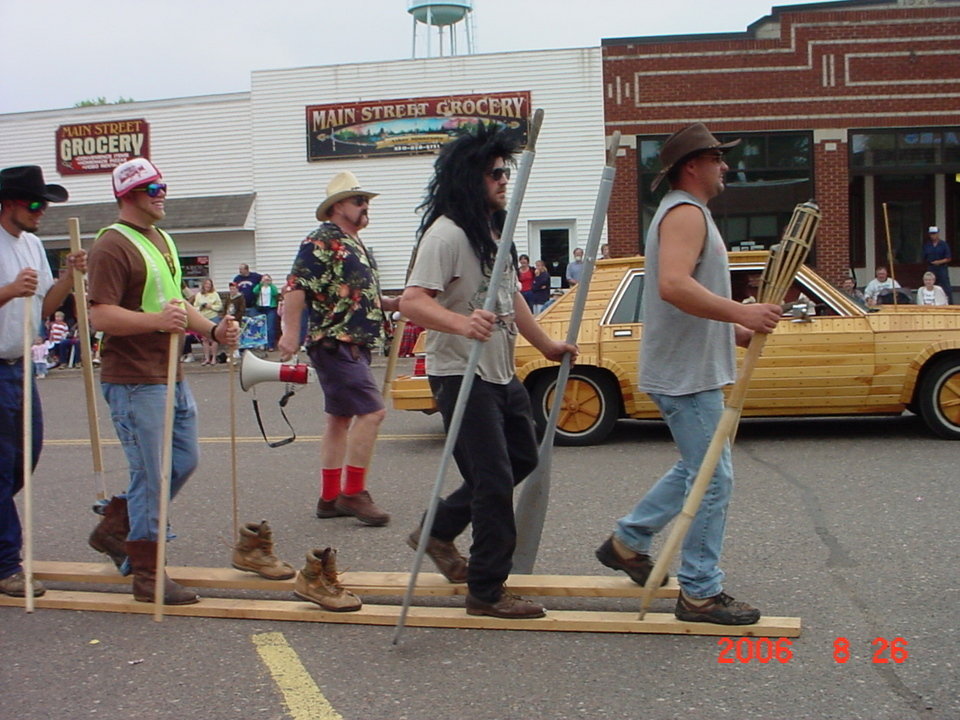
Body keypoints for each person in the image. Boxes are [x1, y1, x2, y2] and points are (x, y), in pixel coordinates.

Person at [594, 123, 781, 625]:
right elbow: (673, 286)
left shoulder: (692, 213)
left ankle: (628, 541)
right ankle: (699, 592)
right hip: (685, 375)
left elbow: (690, 295)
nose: (725, 166)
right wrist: (743, 312)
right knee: (713, 479)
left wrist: (733, 330)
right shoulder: (684, 214)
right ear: (692, 165)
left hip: (691, 367)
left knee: (697, 470)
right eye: (717, 158)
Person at [400, 125, 578, 620]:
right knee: (493, 482)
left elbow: (508, 295)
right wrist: (461, 322)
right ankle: (486, 589)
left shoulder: (496, 231)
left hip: (499, 372)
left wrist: (546, 345)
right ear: (468, 177)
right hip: (460, 373)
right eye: (494, 173)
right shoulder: (446, 235)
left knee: (523, 457)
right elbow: (413, 302)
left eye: (506, 171)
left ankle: (437, 530)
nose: (503, 180)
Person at [85, 158, 239, 605]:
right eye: (153, 188)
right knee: (152, 475)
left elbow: (175, 303)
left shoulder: (161, 238)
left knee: (184, 461)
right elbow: (100, 315)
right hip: (134, 378)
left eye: (163, 185)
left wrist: (212, 330)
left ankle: (116, 527)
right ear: (129, 195)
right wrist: (156, 321)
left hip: (169, 371)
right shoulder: (111, 246)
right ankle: (148, 575)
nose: (162, 194)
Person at [278, 171, 399, 528]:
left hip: (354, 342)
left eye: (366, 201)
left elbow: (355, 293)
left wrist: (391, 303)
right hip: (336, 342)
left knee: (339, 419)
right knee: (373, 413)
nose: (365, 207)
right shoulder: (322, 240)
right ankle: (353, 492)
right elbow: (296, 287)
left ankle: (330, 498)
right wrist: (290, 334)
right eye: (359, 201)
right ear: (337, 206)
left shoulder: (354, 243)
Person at [0, 164, 83, 598]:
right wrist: (8, 291)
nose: (41, 211)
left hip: (21, 365)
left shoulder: (32, 244)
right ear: (8, 203)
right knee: (0, 466)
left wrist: (68, 277)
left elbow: (45, 307)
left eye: (44, 204)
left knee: (23, 459)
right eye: (34, 203)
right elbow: (17, 295)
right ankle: (5, 564)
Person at [192, 278, 223, 365]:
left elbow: (220, 306)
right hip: (203, 318)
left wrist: (211, 307)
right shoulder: (198, 295)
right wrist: (200, 307)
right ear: (203, 285)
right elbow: (195, 307)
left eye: (209, 284)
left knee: (213, 338)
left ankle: (214, 358)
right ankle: (207, 358)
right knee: (204, 339)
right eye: (206, 284)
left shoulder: (215, 294)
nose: (207, 286)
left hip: (213, 317)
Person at [922, 226, 952, 304]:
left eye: (934, 234)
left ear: (938, 234)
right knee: (930, 284)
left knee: (945, 286)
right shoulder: (927, 245)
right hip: (931, 267)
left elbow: (948, 258)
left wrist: (939, 262)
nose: (933, 236)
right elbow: (924, 256)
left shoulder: (943, 244)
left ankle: (949, 304)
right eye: (931, 234)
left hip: (941, 268)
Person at [253, 274, 280, 351]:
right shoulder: (260, 287)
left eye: (267, 279)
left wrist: (270, 284)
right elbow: (254, 291)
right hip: (261, 308)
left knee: (270, 327)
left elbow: (275, 293)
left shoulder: (272, 287)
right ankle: (262, 344)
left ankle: (270, 345)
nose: (266, 281)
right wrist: (260, 284)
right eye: (264, 279)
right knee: (261, 326)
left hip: (270, 308)